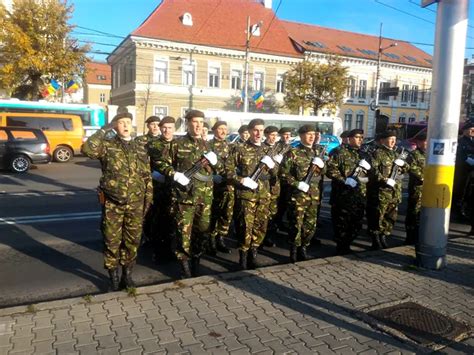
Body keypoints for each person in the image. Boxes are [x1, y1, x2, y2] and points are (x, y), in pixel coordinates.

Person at [81, 109, 153, 291]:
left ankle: (127, 276)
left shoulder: (139, 147)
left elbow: (146, 175)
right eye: (121, 123)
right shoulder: (107, 145)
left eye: (128, 122)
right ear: (115, 126)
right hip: (113, 203)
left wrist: (148, 198)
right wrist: (104, 129)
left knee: (132, 241)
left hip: (136, 203)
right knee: (111, 241)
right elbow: (87, 149)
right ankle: (113, 276)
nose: (126, 125)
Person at [155, 110, 216, 278]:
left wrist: (217, 163)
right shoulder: (177, 144)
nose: (198, 125)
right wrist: (173, 174)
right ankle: (185, 268)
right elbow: (161, 163)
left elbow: (222, 169)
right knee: (183, 234)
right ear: (187, 123)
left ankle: (196, 262)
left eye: (201, 122)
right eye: (195, 122)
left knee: (202, 232)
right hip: (184, 199)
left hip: (205, 197)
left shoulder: (208, 145)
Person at [226, 118, 277, 270]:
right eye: (255, 130)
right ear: (248, 131)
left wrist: (273, 165)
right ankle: (242, 259)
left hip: (264, 194)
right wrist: (241, 180)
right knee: (245, 227)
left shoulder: (269, 150)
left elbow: (276, 174)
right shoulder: (239, 149)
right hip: (246, 195)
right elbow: (227, 171)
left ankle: (253, 254)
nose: (258, 133)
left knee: (261, 226)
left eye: (261, 130)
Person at [280, 124, 325, 262]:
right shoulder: (292, 152)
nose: (312, 136)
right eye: (308, 134)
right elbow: (283, 173)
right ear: (301, 136)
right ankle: (294, 250)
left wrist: (322, 166)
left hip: (314, 195)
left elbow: (324, 173)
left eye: (313, 134)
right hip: (298, 196)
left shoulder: (319, 152)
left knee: (310, 225)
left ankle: (304, 247)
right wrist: (296, 183)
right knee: (296, 225)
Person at [326, 129, 369, 254]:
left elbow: (370, 175)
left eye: (362, 137)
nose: (360, 139)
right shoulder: (339, 152)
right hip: (342, 196)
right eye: (357, 137)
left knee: (357, 224)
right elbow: (330, 170)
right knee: (341, 224)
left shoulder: (364, 154)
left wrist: (368, 173)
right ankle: (341, 247)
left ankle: (348, 243)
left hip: (359, 195)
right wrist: (344, 180)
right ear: (349, 138)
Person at [367, 130, 409, 249]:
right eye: (390, 139)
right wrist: (385, 180)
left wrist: (403, 164)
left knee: (391, 217)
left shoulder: (397, 153)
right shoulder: (377, 153)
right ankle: (375, 239)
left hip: (395, 192)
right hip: (381, 192)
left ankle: (384, 236)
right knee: (377, 216)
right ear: (382, 140)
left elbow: (406, 168)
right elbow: (373, 171)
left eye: (394, 139)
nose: (392, 142)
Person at [148, 116, 177, 262]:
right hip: (158, 189)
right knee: (158, 221)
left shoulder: (179, 144)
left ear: (174, 129)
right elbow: (145, 164)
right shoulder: (153, 145)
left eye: (170, 127)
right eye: (164, 127)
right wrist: (152, 174)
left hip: (175, 189)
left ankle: (170, 250)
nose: (167, 130)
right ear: (160, 128)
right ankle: (158, 252)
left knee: (172, 221)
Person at [208, 120, 233, 255]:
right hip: (214, 186)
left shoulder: (231, 146)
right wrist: (212, 177)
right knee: (213, 213)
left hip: (228, 185)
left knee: (226, 214)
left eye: (225, 129)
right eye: (220, 129)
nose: (223, 131)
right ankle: (211, 241)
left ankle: (221, 239)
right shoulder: (208, 145)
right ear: (214, 130)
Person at [405, 132, 427, 245]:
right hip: (417, 187)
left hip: (428, 189)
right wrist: (423, 177)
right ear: (418, 142)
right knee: (414, 212)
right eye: (424, 141)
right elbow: (412, 168)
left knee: (424, 213)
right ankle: (410, 236)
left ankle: (420, 235)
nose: (427, 143)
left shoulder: (430, 154)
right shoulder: (414, 154)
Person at [453, 121, 474, 233]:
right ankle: (458, 212)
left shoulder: (473, 141)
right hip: (462, 172)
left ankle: (466, 211)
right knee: (461, 191)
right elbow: (459, 156)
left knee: (470, 193)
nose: (472, 132)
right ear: (465, 130)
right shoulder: (460, 142)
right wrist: (469, 161)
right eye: (471, 129)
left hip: (471, 173)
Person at [273, 127, 293, 232]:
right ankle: (274, 225)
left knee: (284, 203)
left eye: (289, 134)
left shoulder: (290, 147)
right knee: (276, 203)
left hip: (286, 180)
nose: (287, 136)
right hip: (276, 179)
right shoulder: (276, 146)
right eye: (285, 134)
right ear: (280, 135)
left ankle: (280, 222)